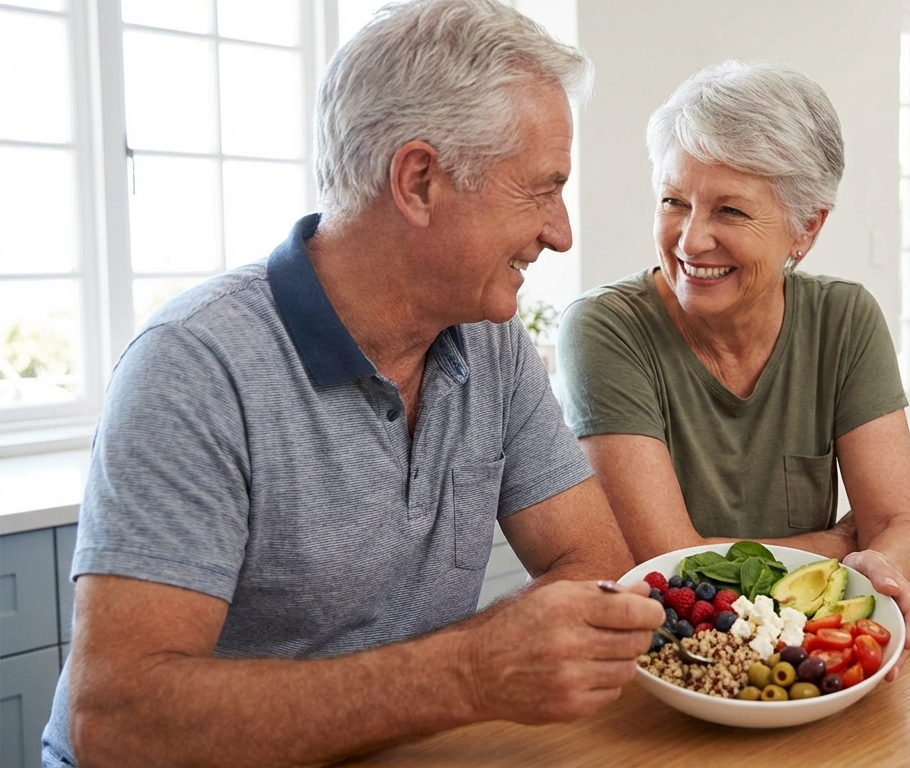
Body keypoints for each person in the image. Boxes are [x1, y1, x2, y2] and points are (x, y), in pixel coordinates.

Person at [42, 2, 663, 765]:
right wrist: (465, 673)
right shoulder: (193, 366)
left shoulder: (491, 343)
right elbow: (120, 723)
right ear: (420, 180)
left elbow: (596, 564)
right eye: (540, 189)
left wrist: (454, 680)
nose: (561, 230)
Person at [557, 61, 910, 675]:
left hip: (808, 666)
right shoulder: (606, 329)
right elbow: (671, 566)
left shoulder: (843, 318)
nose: (691, 240)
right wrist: (836, 552)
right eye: (674, 201)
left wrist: (882, 566)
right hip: (669, 671)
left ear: (805, 228)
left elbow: (904, 525)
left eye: (730, 211)